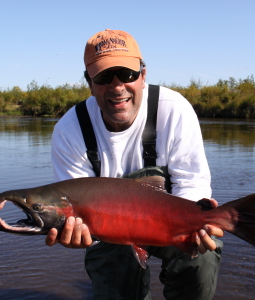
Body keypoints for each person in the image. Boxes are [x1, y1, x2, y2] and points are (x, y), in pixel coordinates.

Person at [45, 29, 224, 300]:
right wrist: (81, 235)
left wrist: (193, 226)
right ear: (90, 83)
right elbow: (75, 214)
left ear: (143, 75)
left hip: (170, 221)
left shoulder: (174, 109)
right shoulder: (69, 131)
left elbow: (192, 183)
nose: (117, 87)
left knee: (201, 259)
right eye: (104, 77)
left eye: (127, 74)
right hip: (108, 235)